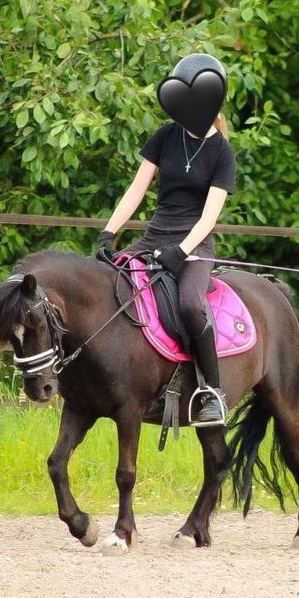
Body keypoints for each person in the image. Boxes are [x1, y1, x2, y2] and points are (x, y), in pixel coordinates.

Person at [94, 54, 237, 424]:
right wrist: (109, 232)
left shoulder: (222, 152)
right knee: (106, 281)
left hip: (195, 243)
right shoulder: (164, 136)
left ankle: (213, 392)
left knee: (190, 304)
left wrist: (183, 251)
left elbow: (210, 216)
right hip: (154, 234)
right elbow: (136, 190)